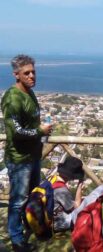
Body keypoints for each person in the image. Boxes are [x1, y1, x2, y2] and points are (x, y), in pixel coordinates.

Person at [1, 54, 52, 252]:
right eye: (27, 73)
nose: (32, 76)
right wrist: (40, 131)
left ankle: (31, 227)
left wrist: (42, 128)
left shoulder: (29, 93)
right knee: (17, 201)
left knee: (32, 197)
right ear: (16, 75)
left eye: (33, 72)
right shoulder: (12, 98)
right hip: (19, 159)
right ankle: (16, 239)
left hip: (33, 155)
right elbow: (16, 132)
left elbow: (29, 123)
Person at [53, 156, 84, 232]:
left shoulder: (52, 180)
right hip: (56, 222)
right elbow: (77, 207)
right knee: (85, 216)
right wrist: (80, 186)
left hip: (50, 216)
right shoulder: (62, 190)